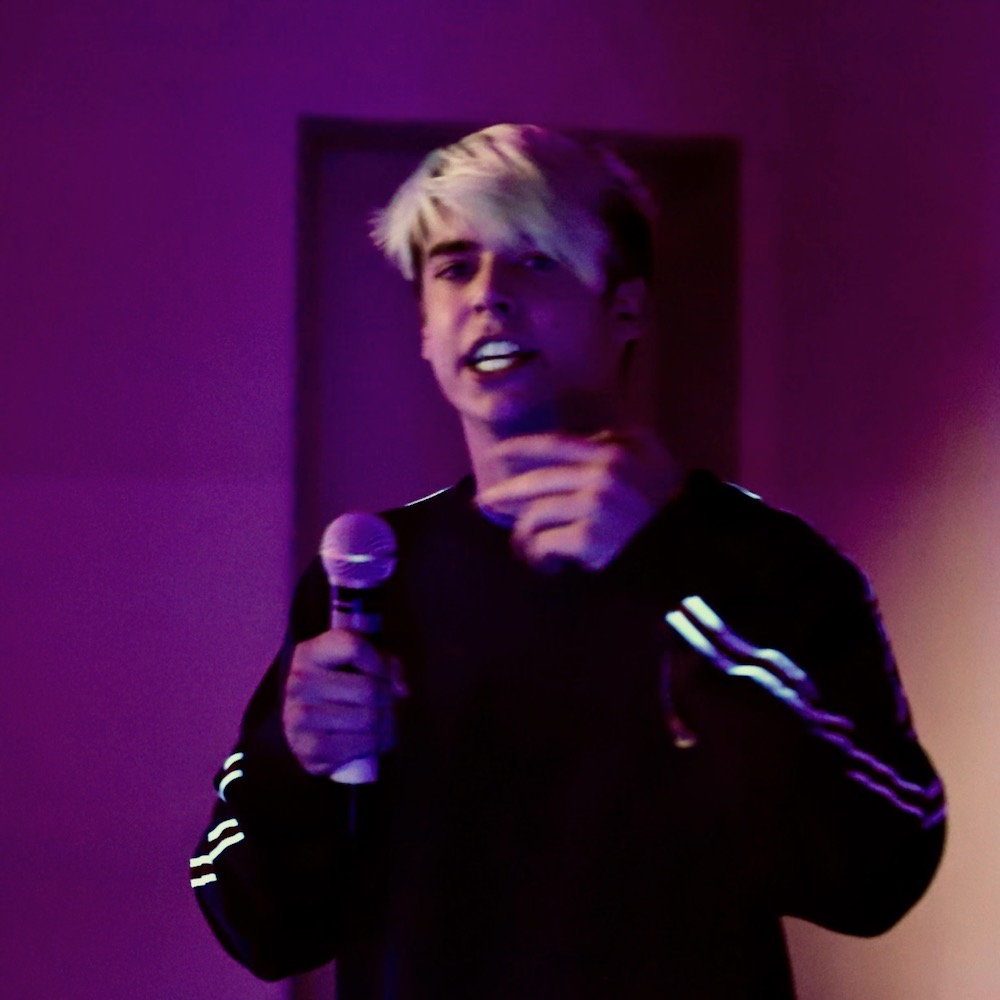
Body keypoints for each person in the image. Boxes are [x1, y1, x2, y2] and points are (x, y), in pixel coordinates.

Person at [190, 124, 946, 998]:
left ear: (625, 308)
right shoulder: (369, 580)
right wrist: (296, 760)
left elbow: (885, 861)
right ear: (425, 328)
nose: (489, 296)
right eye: (454, 267)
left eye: (536, 260)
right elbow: (257, 925)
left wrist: (666, 579)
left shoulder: (767, 562)